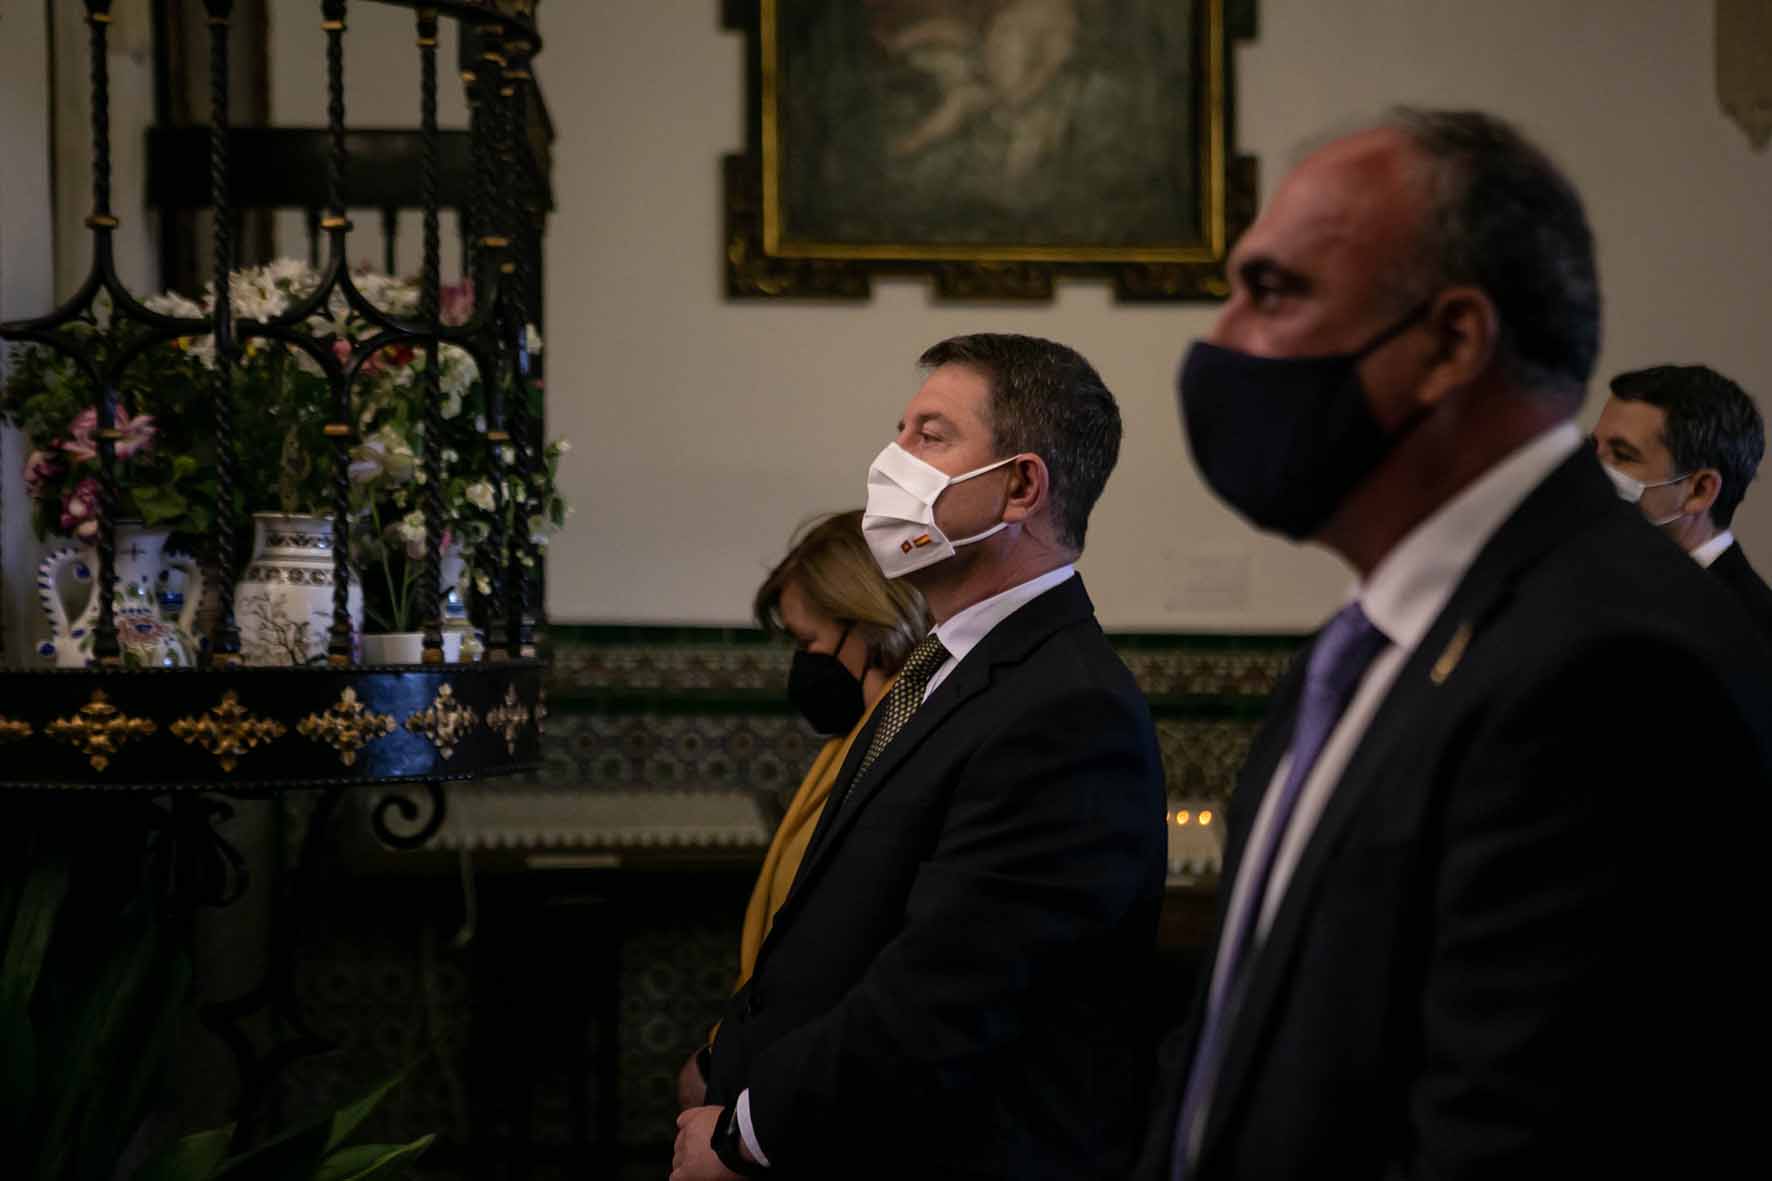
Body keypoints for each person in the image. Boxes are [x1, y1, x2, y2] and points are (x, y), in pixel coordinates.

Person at [1137, 108, 1772, 1180]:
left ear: (1451, 342)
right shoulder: (1372, 636)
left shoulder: (1614, 668)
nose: (1221, 337)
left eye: (1274, 292)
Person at [671, 333, 1167, 1181]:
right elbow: (837, 924)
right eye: (899, 431)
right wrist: (731, 1061)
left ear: (1020, 486)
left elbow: (945, 996)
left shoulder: (1068, 707)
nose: (890, 461)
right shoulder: (942, 665)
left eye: (930, 436)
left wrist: (745, 1132)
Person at [675, 509, 931, 1112]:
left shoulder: (901, 749)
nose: (803, 664)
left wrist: (729, 1076)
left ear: (869, 625)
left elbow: (838, 960)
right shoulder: (857, 739)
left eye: (809, 643)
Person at [1593, 364, 1772, 645]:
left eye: (1622, 455)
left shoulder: (1750, 629)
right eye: (1593, 448)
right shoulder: (1602, 580)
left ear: (1700, 491)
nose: (1591, 470)